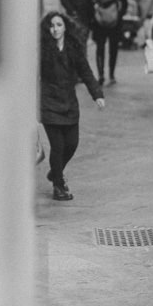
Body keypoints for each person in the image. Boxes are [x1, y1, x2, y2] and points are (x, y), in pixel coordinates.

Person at [39, 11, 105, 201]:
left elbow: (86, 72)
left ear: (65, 27)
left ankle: (55, 171)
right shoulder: (42, 49)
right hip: (48, 102)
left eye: (59, 25)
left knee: (72, 144)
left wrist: (97, 94)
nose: (55, 29)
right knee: (57, 146)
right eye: (51, 26)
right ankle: (59, 185)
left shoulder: (73, 48)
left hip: (68, 103)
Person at [90, 0, 128, 84]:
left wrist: (118, 14)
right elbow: (90, 0)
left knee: (113, 48)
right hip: (99, 21)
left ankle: (111, 74)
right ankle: (101, 75)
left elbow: (124, 2)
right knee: (100, 47)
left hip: (115, 22)